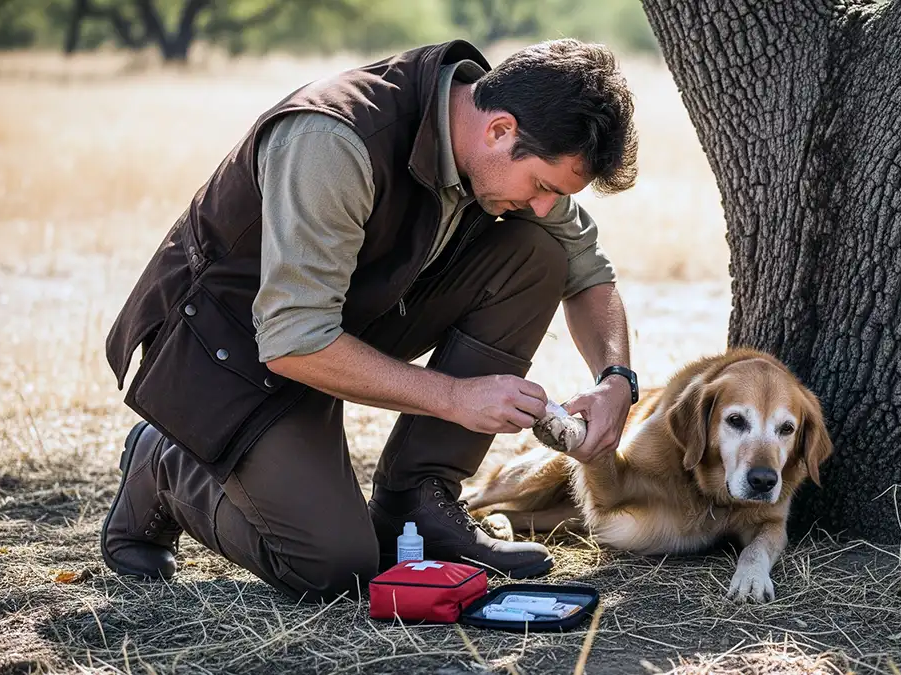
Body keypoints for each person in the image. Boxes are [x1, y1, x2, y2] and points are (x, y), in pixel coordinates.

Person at [98, 38, 641, 602]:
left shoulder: (500, 151)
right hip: (230, 352)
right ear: (500, 130)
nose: (547, 207)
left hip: (333, 327)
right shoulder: (333, 140)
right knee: (334, 567)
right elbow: (293, 340)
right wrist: (456, 397)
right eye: (545, 187)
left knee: (538, 254)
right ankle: (163, 464)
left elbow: (587, 273)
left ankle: (418, 503)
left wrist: (615, 381)